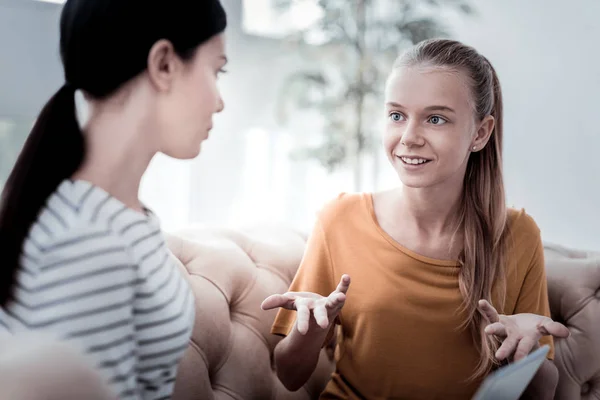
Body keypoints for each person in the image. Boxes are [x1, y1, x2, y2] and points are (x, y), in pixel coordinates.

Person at [261, 39, 570, 400]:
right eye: (396, 116)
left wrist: (527, 350)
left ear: (480, 133)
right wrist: (311, 333)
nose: (409, 138)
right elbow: (289, 375)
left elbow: (544, 391)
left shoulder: (518, 234)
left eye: (435, 119)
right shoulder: (339, 220)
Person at [0, 0, 228, 399]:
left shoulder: (124, 217)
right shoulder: (87, 244)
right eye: (216, 70)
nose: (220, 101)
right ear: (164, 64)